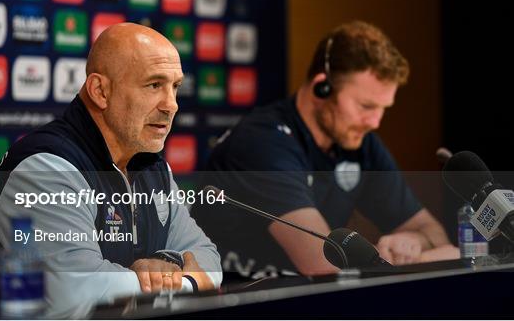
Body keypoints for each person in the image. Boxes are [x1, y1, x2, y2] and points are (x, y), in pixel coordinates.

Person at [0, 23, 221, 318]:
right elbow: (71, 293)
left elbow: (208, 259)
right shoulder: (46, 167)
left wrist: (164, 267)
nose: (171, 105)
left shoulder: (153, 166)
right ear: (100, 91)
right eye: (154, 85)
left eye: (175, 87)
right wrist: (180, 283)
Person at [192, 21, 458, 278]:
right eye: (366, 107)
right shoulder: (260, 143)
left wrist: (412, 241)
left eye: (383, 109)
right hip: (236, 301)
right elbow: (323, 265)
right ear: (323, 87)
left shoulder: (359, 142)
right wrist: (411, 261)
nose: (375, 122)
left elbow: (438, 237)